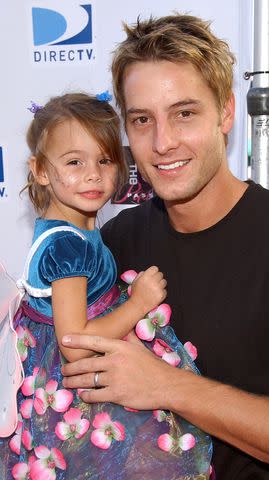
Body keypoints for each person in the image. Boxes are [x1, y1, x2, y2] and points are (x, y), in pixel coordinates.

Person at [61, 14, 269, 480]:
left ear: (227, 112)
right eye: (142, 120)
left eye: (184, 113)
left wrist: (169, 386)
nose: (162, 142)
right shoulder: (113, 243)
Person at [0, 93, 213, 479]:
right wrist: (138, 302)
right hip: (83, 391)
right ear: (41, 170)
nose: (94, 174)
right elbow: (75, 346)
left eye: (104, 160)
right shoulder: (66, 247)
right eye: (75, 162)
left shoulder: (75, 228)